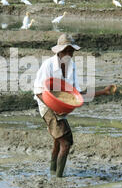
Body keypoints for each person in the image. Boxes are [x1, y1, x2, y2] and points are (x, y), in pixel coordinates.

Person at [33, 34, 116, 177]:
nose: (69, 54)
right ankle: (59, 178)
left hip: (60, 108)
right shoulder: (49, 65)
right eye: (66, 51)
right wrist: (53, 107)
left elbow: (77, 93)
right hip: (47, 107)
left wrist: (104, 91)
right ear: (59, 51)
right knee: (66, 143)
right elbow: (38, 91)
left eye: (71, 51)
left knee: (57, 142)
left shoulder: (72, 67)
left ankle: (52, 172)